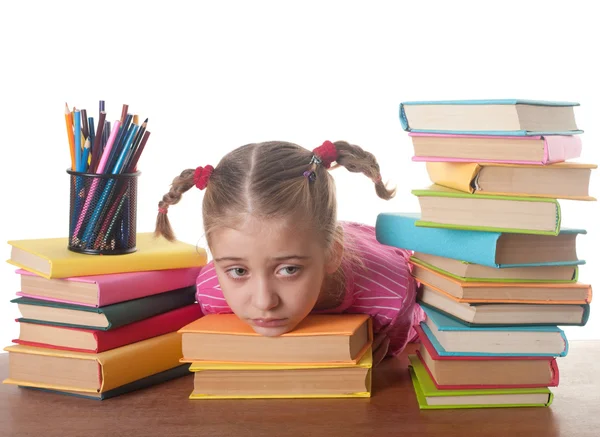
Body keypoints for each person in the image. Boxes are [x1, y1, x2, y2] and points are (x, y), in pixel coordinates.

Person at [155, 140, 424, 364]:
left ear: (331, 253)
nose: (264, 302)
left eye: (289, 269)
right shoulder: (212, 295)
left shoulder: (390, 298)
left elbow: (411, 347)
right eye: (238, 270)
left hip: (368, 252)